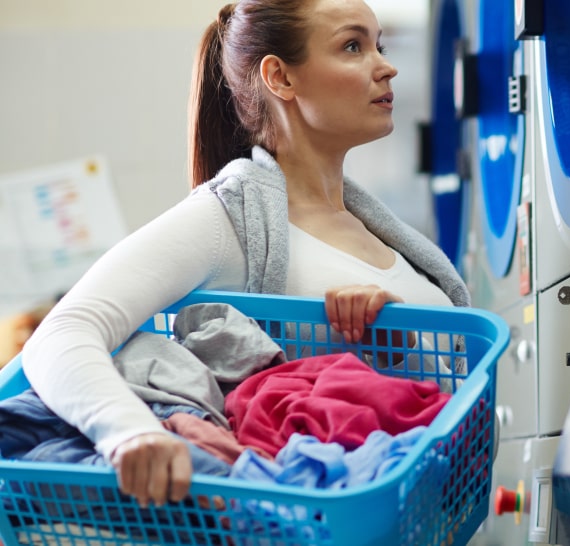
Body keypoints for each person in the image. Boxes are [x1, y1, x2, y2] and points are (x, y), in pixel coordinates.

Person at [21, 0, 468, 510]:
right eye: (352, 46)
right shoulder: (229, 220)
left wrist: (395, 345)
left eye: (379, 45)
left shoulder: (388, 234)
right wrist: (130, 434)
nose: (386, 65)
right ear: (280, 77)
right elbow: (62, 333)